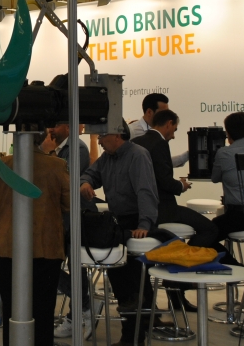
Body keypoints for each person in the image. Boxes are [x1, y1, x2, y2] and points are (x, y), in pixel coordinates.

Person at [0, 132, 70, 346]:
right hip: (46, 247)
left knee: (11, 308)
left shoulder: (3, 165)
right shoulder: (57, 165)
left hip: (8, 246)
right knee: (43, 309)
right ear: (41, 138)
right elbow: (69, 204)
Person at [80, 122, 159, 346]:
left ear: (116, 134)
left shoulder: (137, 155)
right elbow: (90, 174)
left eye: (101, 137)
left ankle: (134, 337)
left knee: (131, 282)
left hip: (136, 221)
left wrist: (144, 224)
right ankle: (136, 330)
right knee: (121, 277)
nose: (99, 142)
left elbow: (146, 191)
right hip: (120, 222)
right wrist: (85, 183)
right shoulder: (107, 158)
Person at [133, 109, 218, 248]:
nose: (173, 136)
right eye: (175, 130)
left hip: (138, 208)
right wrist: (181, 185)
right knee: (210, 229)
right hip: (162, 208)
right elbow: (164, 180)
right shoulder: (160, 143)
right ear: (169, 123)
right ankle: (186, 255)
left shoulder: (135, 142)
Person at [45, 122, 96, 339]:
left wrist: (48, 155)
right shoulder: (59, 149)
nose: (51, 130)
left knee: (73, 268)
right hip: (61, 218)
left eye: (56, 125)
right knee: (48, 265)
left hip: (76, 218)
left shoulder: (77, 149)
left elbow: (62, 182)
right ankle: (84, 307)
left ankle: (80, 311)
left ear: (68, 127)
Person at [127, 92, 188, 168]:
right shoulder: (131, 131)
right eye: (163, 113)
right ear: (149, 112)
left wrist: (187, 155)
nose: (167, 116)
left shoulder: (161, 133)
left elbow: (162, 163)